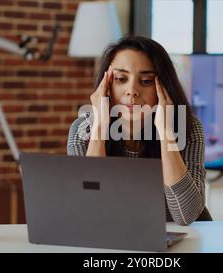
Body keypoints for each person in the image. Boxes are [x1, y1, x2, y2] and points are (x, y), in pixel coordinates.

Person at [67, 36, 212, 225]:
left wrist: (166, 132)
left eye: (145, 81)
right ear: (107, 85)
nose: (132, 90)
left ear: (164, 87)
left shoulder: (189, 129)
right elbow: (89, 209)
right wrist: (99, 127)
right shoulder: (83, 130)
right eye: (120, 79)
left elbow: (186, 216)